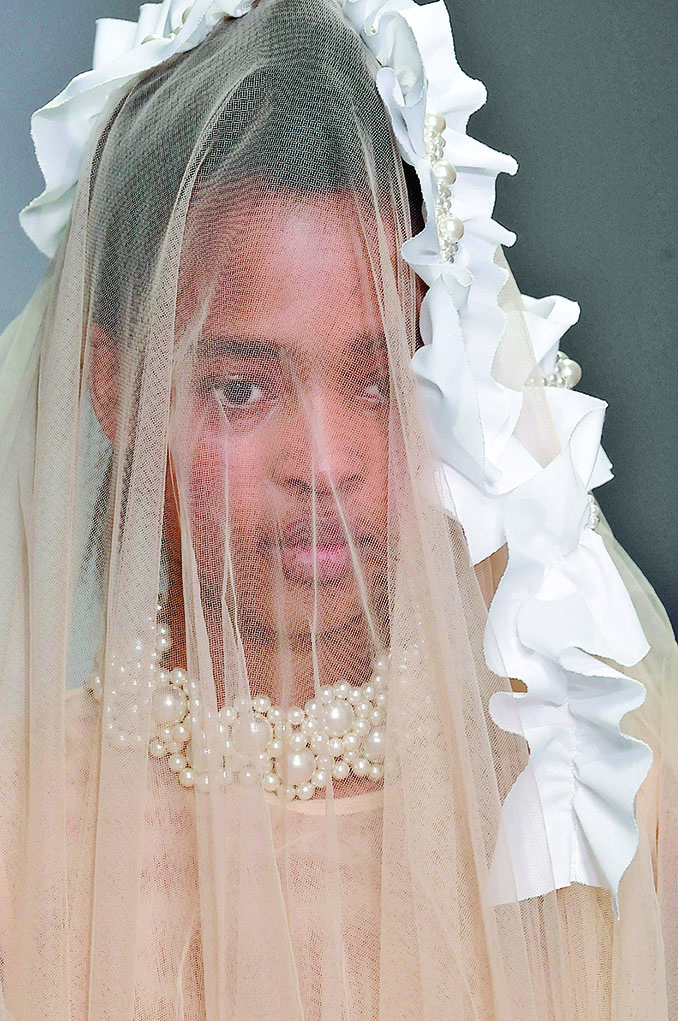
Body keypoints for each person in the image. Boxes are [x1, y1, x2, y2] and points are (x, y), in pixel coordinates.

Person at [0, 0, 676, 1016]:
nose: (323, 466)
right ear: (115, 385)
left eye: (381, 383)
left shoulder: (598, 798)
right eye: (241, 387)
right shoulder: (20, 826)